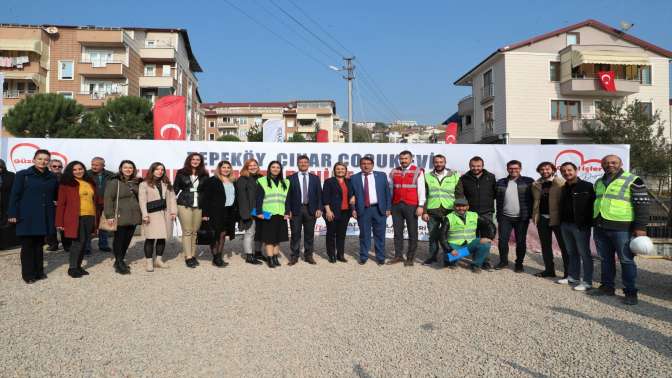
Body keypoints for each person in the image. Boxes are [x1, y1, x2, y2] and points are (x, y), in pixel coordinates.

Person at [589, 155, 649, 305]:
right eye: (606, 163)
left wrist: (640, 228)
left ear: (620, 164)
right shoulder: (599, 182)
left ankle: (630, 292)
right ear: (602, 165)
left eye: (614, 162)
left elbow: (642, 205)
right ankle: (607, 287)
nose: (610, 165)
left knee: (626, 260)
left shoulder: (633, 180)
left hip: (622, 229)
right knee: (605, 259)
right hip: (601, 227)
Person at [8, 150, 58, 284]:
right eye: (40, 158)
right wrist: (12, 214)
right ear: (34, 160)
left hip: (44, 217)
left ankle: (39, 271)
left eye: (46, 159)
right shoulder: (23, 175)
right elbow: (15, 196)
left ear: (49, 161)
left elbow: (56, 195)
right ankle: (28, 274)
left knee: (39, 245)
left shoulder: (52, 177)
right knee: (27, 246)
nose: (43, 161)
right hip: (27, 216)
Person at [55, 161, 99, 278]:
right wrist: (59, 221)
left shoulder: (89, 182)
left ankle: (78, 266)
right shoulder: (66, 184)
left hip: (90, 216)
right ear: (70, 171)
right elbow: (61, 204)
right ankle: (72, 268)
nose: (78, 171)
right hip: (75, 217)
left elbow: (95, 200)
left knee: (84, 242)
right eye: (75, 170)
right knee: (77, 242)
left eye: (80, 168)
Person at [556, 162, 596, 291]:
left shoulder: (587, 186)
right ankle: (573, 276)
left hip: (580, 226)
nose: (567, 173)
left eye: (569, 170)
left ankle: (588, 281)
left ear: (576, 170)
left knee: (584, 254)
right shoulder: (563, 188)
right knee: (571, 252)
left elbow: (593, 206)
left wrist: (587, 222)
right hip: (565, 225)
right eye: (564, 171)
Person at [455, 156, 497, 270]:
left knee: (486, 237)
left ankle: (486, 261)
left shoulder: (491, 177)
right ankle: (476, 260)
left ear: (482, 166)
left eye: (478, 166)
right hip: (470, 213)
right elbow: (461, 196)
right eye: (473, 166)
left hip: (486, 212)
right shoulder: (464, 178)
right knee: (472, 238)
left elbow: (495, 193)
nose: (476, 168)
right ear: (469, 166)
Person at [351, 156, 392, 265]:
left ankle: (380, 257)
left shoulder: (381, 176)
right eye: (363, 163)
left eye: (368, 163)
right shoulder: (354, 178)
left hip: (379, 209)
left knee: (380, 235)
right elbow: (351, 196)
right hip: (363, 210)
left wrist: (388, 207)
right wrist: (353, 209)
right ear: (360, 165)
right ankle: (363, 256)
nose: (366, 165)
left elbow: (387, 192)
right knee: (364, 234)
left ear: (372, 165)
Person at [104, 160, 142, 275]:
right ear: (121, 168)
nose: (128, 169)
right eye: (125, 167)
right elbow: (108, 199)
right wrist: (109, 215)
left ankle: (121, 258)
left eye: (130, 167)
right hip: (120, 214)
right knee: (119, 239)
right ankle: (119, 262)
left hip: (134, 214)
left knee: (127, 239)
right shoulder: (115, 181)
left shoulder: (136, 182)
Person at [531, 161, 569, 278]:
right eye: (542, 169)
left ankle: (568, 273)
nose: (545, 171)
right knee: (545, 246)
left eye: (547, 169)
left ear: (553, 170)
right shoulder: (536, 184)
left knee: (564, 246)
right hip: (542, 218)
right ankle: (549, 270)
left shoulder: (561, 183)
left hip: (558, 219)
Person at [495, 160, 534, 272]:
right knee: (502, 240)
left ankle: (519, 264)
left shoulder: (528, 182)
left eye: (516, 168)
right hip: (505, 217)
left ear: (520, 169)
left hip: (522, 218)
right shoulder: (501, 182)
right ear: (507, 169)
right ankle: (503, 261)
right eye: (511, 168)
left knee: (521, 241)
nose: (513, 170)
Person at [388, 150, 425, 266]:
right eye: (401, 159)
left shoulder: (418, 171)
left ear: (411, 159)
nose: (403, 161)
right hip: (396, 205)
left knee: (412, 232)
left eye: (406, 158)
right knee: (397, 232)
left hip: (412, 205)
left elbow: (421, 190)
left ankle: (410, 258)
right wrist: (389, 206)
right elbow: (390, 190)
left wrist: (420, 206)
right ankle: (398, 256)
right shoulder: (394, 171)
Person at [439, 198, 496, 273]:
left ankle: (475, 265)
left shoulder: (474, 215)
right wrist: (449, 250)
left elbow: (489, 224)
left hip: (470, 244)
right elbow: (442, 236)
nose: (461, 208)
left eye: (463, 206)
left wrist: (490, 238)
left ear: (468, 207)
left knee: (485, 244)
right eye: (458, 206)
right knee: (450, 256)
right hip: (454, 247)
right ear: (454, 207)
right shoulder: (449, 218)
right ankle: (449, 260)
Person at [139, 162, 177, 272]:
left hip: (166, 213)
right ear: (152, 170)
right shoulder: (144, 184)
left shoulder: (167, 183)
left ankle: (159, 260)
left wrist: (174, 211)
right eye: (157, 169)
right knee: (150, 238)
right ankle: (149, 262)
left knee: (162, 237)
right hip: (152, 214)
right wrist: (145, 215)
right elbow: (142, 201)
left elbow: (172, 198)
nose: (160, 171)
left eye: (162, 169)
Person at [422, 154, 459, 266]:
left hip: (449, 211)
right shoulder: (427, 176)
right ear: (433, 163)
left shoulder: (454, 175)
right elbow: (424, 195)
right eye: (436, 162)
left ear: (445, 162)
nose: (439, 164)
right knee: (433, 236)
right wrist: (424, 211)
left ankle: (449, 259)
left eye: (441, 162)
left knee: (449, 236)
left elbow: (459, 194)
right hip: (432, 210)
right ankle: (432, 256)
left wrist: (457, 211)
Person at [173, 153, 209, 268]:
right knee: (187, 231)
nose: (195, 161)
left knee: (194, 231)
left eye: (198, 159)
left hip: (199, 205)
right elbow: (175, 189)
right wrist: (171, 207)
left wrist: (207, 210)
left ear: (201, 162)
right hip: (184, 204)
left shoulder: (204, 174)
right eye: (193, 159)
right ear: (189, 160)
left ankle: (193, 255)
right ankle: (188, 257)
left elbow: (206, 192)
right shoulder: (181, 172)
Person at [286, 155, 322, 265]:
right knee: (295, 234)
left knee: (309, 234)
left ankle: (308, 255)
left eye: (305, 162)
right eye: (301, 162)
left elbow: (319, 195)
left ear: (308, 164)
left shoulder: (315, 178)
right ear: (297, 164)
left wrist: (319, 208)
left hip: (311, 210)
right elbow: (287, 196)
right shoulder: (291, 178)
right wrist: (288, 210)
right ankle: (294, 256)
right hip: (296, 210)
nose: (303, 164)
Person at [201, 160, 238, 268]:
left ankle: (218, 256)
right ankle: (215, 257)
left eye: (228, 167)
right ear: (219, 169)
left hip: (229, 211)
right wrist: (205, 213)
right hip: (215, 211)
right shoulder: (212, 181)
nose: (226, 169)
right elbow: (206, 198)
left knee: (223, 234)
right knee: (215, 234)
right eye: (224, 167)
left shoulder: (233, 181)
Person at [255, 161, 291, 268]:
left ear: (280, 169)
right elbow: (259, 199)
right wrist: (259, 212)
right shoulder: (262, 181)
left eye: (278, 167)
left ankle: (275, 257)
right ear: (269, 169)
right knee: (269, 238)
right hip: (268, 214)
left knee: (278, 238)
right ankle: (270, 259)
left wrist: (287, 212)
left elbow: (287, 199)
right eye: (273, 167)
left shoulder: (286, 182)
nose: (275, 169)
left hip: (280, 213)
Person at [322, 162, 353, 263]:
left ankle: (340, 255)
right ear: (334, 170)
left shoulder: (349, 181)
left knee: (342, 234)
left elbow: (353, 193)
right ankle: (331, 255)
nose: (340, 170)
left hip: (345, 212)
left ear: (346, 170)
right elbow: (325, 197)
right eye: (338, 169)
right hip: (332, 212)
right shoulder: (329, 181)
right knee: (331, 234)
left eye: (342, 169)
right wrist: (328, 211)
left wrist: (354, 197)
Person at [236, 159, 264, 265]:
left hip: (262, 210)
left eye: (255, 165)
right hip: (249, 211)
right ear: (246, 167)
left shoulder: (261, 178)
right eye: (250, 165)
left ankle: (258, 252)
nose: (253, 167)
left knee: (260, 233)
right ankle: (249, 255)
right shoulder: (242, 179)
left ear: (258, 166)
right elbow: (241, 198)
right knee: (250, 233)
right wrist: (245, 214)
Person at [86, 157, 113, 253]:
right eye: (92, 164)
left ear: (103, 166)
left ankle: (103, 244)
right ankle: (87, 247)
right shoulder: (87, 174)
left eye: (96, 165)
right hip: (91, 203)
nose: (94, 166)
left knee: (104, 224)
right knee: (90, 225)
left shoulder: (111, 175)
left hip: (106, 203)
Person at [46, 159, 67, 252]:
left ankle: (67, 244)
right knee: (50, 225)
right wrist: (51, 201)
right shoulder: (45, 177)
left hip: (63, 205)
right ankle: (53, 244)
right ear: (50, 167)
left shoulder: (66, 178)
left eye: (59, 166)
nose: (57, 168)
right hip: (49, 205)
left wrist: (61, 202)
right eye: (54, 166)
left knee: (64, 225)